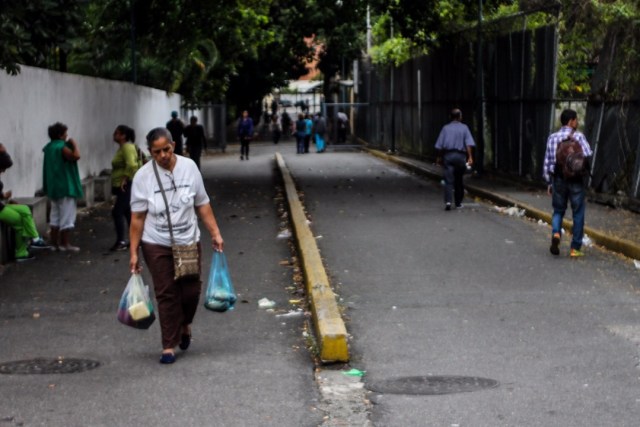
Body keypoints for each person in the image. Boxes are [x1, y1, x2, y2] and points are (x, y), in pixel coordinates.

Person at [129, 127, 224, 364]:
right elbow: (138, 218)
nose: (162, 155)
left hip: (187, 240)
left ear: (173, 145)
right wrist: (133, 251)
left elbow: (202, 203)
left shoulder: (189, 168)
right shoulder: (143, 177)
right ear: (150, 152)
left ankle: (185, 324)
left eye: (166, 150)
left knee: (190, 291)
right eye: (156, 152)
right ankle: (168, 345)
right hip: (156, 242)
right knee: (166, 292)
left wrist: (215, 232)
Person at [543, 109, 593, 257]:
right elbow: (588, 153)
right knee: (578, 213)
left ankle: (556, 233)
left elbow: (547, 162)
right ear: (571, 121)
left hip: (558, 178)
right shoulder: (578, 136)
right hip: (576, 180)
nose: (577, 122)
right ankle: (575, 248)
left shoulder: (552, 137)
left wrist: (549, 182)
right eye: (576, 120)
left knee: (558, 210)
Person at [0, 144, 51, 261]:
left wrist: (5, 197)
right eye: (2, 168)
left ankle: (35, 239)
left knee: (25, 209)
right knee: (19, 221)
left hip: (2, 206)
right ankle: (22, 252)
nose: (3, 171)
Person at [42, 122, 84, 251]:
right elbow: (76, 156)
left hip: (54, 187)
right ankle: (64, 244)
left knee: (55, 216)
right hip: (66, 186)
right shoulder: (61, 146)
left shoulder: (49, 147)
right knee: (67, 216)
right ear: (60, 135)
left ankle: (54, 243)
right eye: (65, 133)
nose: (67, 135)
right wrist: (75, 144)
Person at [434, 108, 475, 210]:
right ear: (460, 117)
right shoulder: (465, 128)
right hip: (460, 157)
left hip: (448, 156)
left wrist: (439, 157)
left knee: (448, 180)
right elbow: (468, 144)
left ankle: (448, 202)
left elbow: (440, 145)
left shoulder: (445, 128)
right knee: (458, 180)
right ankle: (458, 203)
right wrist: (470, 156)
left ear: (450, 117)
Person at [110, 125, 141, 252]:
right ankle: (135, 239)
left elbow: (132, 165)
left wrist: (125, 178)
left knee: (117, 212)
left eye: (117, 133)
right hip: (123, 184)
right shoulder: (124, 147)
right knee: (127, 212)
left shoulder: (127, 147)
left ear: (123, 135)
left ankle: (121, 241)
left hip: (126, 185)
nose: (114, 135)